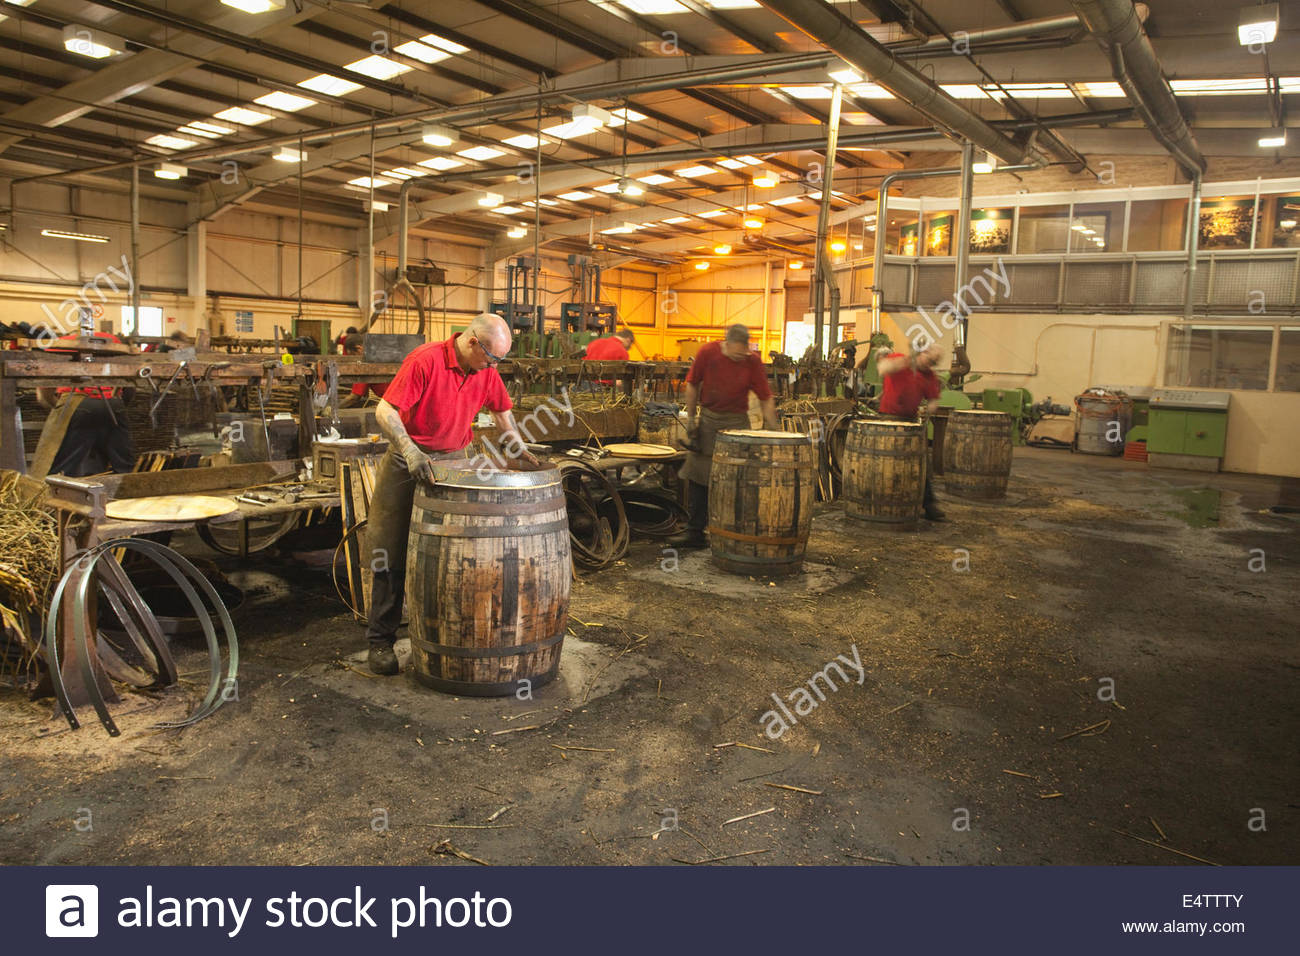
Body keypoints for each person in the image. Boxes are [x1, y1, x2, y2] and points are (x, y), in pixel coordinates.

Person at [363, 313, 539, 675]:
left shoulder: (484, 369)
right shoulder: (425, 360)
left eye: (497, 362)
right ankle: (380, 641)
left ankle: (441, 636)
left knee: (454, 553)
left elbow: (502, 410)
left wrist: (517, 447)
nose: (493, 367)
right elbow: (385, 409)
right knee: (388, 550)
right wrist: (410, 451)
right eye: (491, 358)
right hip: (407, 459)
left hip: (455, 462)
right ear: (473, 342)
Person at [668, 324, 779, 549]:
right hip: (709, 420)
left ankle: (735, 532)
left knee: (738, 478)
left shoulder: (752, 361)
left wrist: (774, 430)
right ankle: (695, 532)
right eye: (736, 354)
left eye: (743, 354)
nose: (740, 358)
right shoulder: (708, 353)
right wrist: (691, 421)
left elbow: (765, 397)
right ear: (725, 345)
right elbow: (692, 385)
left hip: (737, 423)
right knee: (699, 478)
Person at [36, 329, 136, 476]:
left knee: (61, 467)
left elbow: (43, 392)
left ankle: (55, 494)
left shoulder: (61, 344)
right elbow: (130, 385)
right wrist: (115, 405)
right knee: (124, 467)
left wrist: (58, 409)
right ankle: (128, 493)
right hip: (113, 404)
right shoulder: (113, 342)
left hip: (75, 402)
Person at [874, 343, 946, 522]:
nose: (931, 365)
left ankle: (928, 504)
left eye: (934, 363)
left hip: (911, 422)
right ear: (922, 353)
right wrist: (902, 363)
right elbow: (882, 368)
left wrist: (928, 410)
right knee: (887, 463)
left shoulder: (930, 376)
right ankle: (880, 501)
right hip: (888, 420)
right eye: (930, 360)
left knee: (921, 464)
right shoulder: (900, 360)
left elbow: (933, 400)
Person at [339, 333, 388, 407]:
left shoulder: (366, 363)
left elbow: (354, 397)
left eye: (353, 356)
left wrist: (333, 409)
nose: (354, 361)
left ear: (359, 349)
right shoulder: (379, 351)